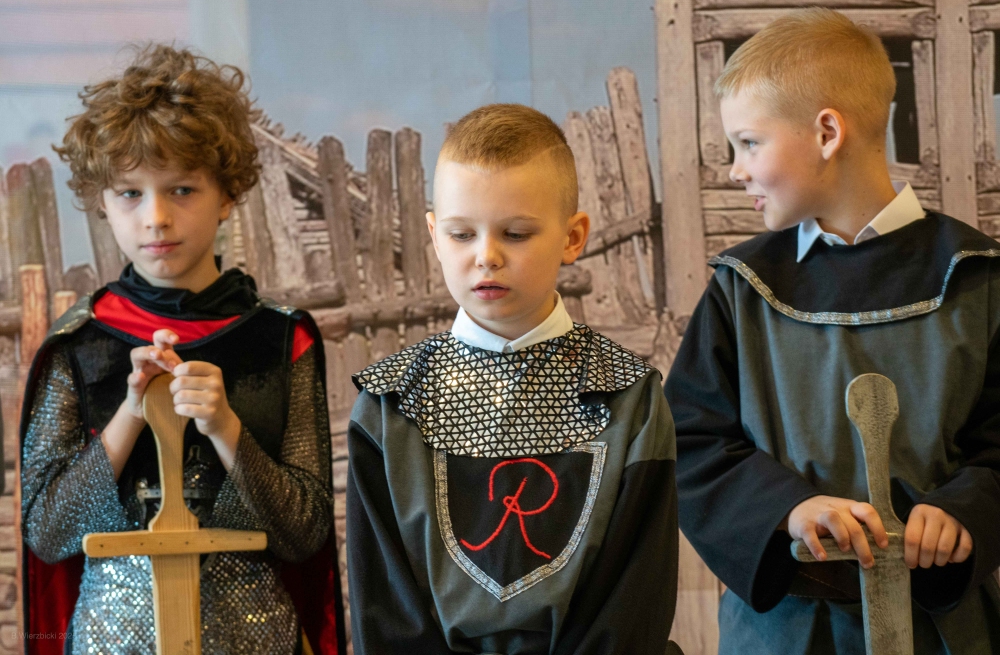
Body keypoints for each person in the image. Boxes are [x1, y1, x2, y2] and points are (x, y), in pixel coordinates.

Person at [665, 8, 1000, 654]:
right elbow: (693, 442)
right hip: (784, 634)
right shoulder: (742, 288)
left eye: (749, 143)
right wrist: (786, 509)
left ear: (826, 132)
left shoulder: (976, 279)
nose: (734, 169)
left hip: (943, 630)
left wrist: (964, 511)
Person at [20, 44, 345, 655]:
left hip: (255, 641)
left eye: (183, 189)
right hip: (111, 642)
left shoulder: (280, 341)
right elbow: (48, 533)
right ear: (100, 201)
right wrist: (129, 415)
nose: (157, 218)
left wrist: (225, 427)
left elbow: (303, 535)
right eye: (130, 193)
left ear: (228, 195)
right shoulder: (79, 346)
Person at [346, 103, 681, 654]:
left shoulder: (629, 396)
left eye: (517, 233)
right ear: (434, 236)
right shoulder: (390, 406)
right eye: (461, 234)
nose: (487, 256)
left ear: (572, 237)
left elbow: (634, 597)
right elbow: (385, 609)